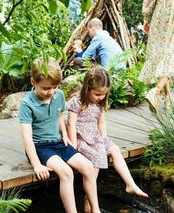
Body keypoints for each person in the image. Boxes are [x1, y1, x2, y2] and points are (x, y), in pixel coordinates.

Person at [19, 58, 101, 213]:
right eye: (46, 88)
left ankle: (95, 210)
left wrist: (64, 134)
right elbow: (27, 138)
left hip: (58, 142)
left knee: (89, 167)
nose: (51, 92)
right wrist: (37, 164)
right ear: (33, 82)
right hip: (40, 147)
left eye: (55, 87)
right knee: (66, 172)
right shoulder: (27, 104)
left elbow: (58, 116)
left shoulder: (59, 95)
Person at [67, 67, 148, 212]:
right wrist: (72, 145)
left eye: (104, 94)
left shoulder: (99, 104)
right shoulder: (77, 102)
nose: (101, 97)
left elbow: (101, 123)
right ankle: (89, 201)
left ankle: (130, 184)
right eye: (97, 94)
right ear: (87, 88)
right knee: (97, 157)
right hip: (81, 138)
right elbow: (71, 123)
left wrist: (103, 139)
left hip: (95, 136)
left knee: (115, 149)